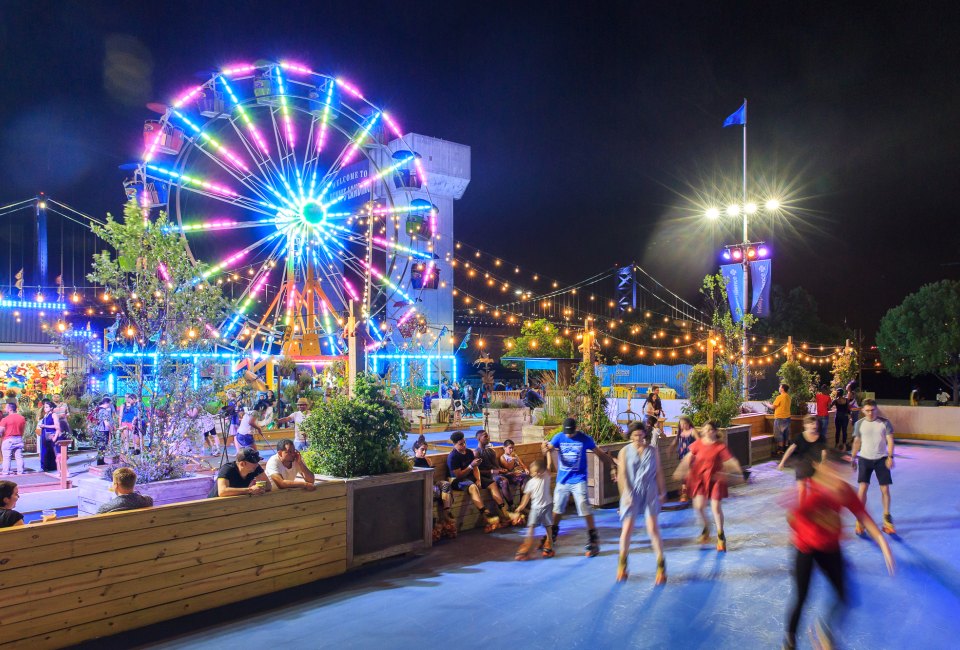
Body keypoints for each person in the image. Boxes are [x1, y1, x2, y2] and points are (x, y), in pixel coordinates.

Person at [783, 449, 895, 650]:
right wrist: (811, 521)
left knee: (844, 595)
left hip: (830, 548)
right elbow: (792, 517)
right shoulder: (810, 491)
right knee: (801, 597)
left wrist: (883, 544)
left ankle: (825, 629)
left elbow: (864, 517)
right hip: (806, 548)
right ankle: (790, 641)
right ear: (821, 468)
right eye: (832, 472)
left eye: (840, 473)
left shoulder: (844, 490)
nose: (836, 477)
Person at [542, 417, 619, 557]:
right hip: (563, 480)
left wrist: (612, 467)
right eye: (567, 432)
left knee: (584, 507)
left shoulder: (585, 439)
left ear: (576, 429)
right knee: (557, 509)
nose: (569, 435)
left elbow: (600, 454)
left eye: (571, 432)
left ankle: (593, 538)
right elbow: (549, 448)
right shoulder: (559, 437)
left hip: (579, 480)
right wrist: (545, 448)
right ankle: (551, 537)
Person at [673, 420, 743, 551]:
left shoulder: (719, 446)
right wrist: (680, 471)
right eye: (705, 430)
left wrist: (737, 473)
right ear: (703, 431)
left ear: (715, 432)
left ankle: (721, 535)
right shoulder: (697, 444)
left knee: (716, 507)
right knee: (698, 507)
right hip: (699, 478)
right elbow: (687, 458)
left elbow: (731, 461)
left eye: (710, 430)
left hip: (715, 479)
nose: (707, 432)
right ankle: (706, 527)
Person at [616, 421, 667, 584]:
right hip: (631, 492)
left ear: (645, 434)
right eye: (635, 435)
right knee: (627, 528)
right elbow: (622, 476)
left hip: (649, 491)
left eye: (640, 434)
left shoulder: (653, 451)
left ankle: (661, 565)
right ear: (630, 436)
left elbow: (659, 472)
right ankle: (622, 564)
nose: (638, 437)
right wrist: (625, 494)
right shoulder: (624, 452)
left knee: (653, 527)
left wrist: (663, 491)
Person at [850, 399, 896, 535]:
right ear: (863, 410)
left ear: (877, 409)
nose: (870, 413)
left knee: (885, 489)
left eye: (873, 410)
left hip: (881, 459)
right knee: (862, 489)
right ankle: (860, 518)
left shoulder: (884, 423)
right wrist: (853, 457)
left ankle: (887, 518)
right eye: (867, 410)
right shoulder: (859, 424)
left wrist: (890, 457)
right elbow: (856, 442)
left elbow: (890, 440)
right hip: (864, 459)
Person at [446, 431, 506, 532]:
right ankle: (486, 514)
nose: (464, 445)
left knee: (492, 483)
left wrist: (478, 478)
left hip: (470, 476)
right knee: (473, 487)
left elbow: (475, 468)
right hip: (457, 480)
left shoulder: (469, 452)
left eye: (464, 442)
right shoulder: (452, 457)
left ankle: (504, 511)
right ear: (454, 444)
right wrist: (471, 466)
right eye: (461, 444)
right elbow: (459, 475)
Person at [412, 439, 456, 540]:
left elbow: (433, 476)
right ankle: (437, 522)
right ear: (415, 450)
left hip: (432, 483)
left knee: (446, 484)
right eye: (422, 450)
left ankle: (446, 514)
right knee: (432, 490)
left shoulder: (427, 460)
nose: (424, 452)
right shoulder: (412, 462)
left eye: (426, 450)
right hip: (421, 486)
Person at [513, 458, 554, 560]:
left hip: (547, 506)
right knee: (531, 527)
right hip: (535, 508)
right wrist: (521, 507)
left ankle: (549, 544)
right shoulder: (530, 482)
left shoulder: (546, 477)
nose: (531, 473)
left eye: (533, 472)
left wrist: (548, 453)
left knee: (548, 527)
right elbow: (526, 496)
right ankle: (526, 547)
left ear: (539, 472)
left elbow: (548, 464)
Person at [474, 430, 518, 524]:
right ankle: (511, 507)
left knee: (518, 476)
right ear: (478, 439)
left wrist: (502, 469)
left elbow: (496, 466)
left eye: (488, 436)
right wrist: (492, 471)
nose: (488, 437)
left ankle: (524, 506)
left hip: (497, 473)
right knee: (504, 481)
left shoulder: (491, 451)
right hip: (488, 476)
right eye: (485, 436)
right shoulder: (476, 453)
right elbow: (477, 471)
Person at [778, 415, 827, 498]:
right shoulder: (799, 437)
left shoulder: (821, 437)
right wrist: (782, 462)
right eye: (811, 424)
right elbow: (790, 449)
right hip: (802, 466)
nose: (814, 426)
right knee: (802, 490)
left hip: (815, 466)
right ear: (805, 425)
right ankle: (802, 509)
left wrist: (822, 463)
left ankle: (814, 508)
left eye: (815, 424)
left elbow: (824, 452)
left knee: (815, 491)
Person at [668, 415, 698, 501]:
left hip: (691, 455)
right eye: (681, 424)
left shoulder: (693, 431)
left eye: (685, 424)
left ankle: (690, 491)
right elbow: (676, 440)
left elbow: (699, 441)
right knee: (685, 474)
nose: (683, 426)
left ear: (689, 423)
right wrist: (671, 448)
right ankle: (685, 492)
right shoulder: (681, 432)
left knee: (690, 473)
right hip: (682, 455)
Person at [497, 438, 530, 507]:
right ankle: (520, 504)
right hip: (508, 475)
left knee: (527, 477)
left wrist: (526, 469)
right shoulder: (502, 457)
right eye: (510, 448)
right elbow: (508, 468)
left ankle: (523, 502)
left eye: (513, 448)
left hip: (516, 474)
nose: (511, 450)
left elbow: (522, 464)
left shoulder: (514, 455)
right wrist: (512, 459)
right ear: (504, 448)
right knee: (524, 478)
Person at [764, 383, 792, 456]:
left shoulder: (780, 397)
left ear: (782, 388)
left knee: (779, 434)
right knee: (785, 434)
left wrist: (767, 404)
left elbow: (773, 407)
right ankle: (785, 450)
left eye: (780, 387)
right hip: (787, 418)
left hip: (780, 418)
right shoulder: (788, 397)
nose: (779, 388)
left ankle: (780, 451)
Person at [0, 402, 27, 476]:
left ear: (10, 409)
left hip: (8, 440)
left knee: (6, 458)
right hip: (18, 438)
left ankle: (6, 472)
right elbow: (23, 430)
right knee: (19, 457)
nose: (4, 409)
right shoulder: (22, 418)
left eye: (6, 407)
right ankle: (20, 472)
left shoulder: (5, 419)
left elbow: (0, 431)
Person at [37, 399, 61, 472]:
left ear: (51, 408)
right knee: (44, 451)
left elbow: (57, 426)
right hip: (44, 434)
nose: (45, 408)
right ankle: (45, 466)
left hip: (51, 434)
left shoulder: (54, 415)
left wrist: (45, 426)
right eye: (44, 407)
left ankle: (56, 467)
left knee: (53, 451)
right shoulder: (45, 415)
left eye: (47, 407)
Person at [93, 396, 115, 465]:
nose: (110, 406)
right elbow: (106, 423)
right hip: (104, 430)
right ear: (107, 403)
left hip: (98, 430)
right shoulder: (104, 411)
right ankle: (100, 462)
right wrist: (111, 429)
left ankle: (100, 461)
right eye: (110, 404)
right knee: (103, 446)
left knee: (100, 446)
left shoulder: (98, 409)